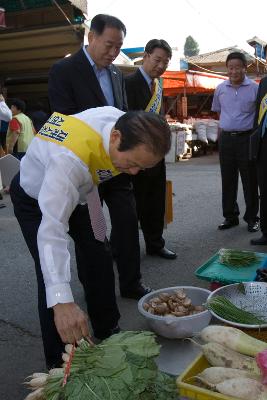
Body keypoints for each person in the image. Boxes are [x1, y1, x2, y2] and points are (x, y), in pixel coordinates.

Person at [9, 106, 171, 369]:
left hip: (85, 193)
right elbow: (52, 232)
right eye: (131, 163)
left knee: (99, 250)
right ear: (116, 137)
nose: (132, 173)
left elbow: (92, 180)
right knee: (50, 276)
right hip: (35, 198)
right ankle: (60, 363)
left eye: (141, 167)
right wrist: (63, 302)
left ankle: (108, 329)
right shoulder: (69, 161)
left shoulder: (119, 121)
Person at [49, 13, 150, 299]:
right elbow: (64, 119)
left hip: (117, 167)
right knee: (94, 232)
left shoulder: (117, 73)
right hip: (86, 169)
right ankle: (95, 288)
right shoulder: (64, 70)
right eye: (109, 45)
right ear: (91, 37)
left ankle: (132, 283)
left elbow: (124, 115)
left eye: (119, 46)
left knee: (128, 222)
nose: (114, 52)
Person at [125, 39, 177, 259]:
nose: (161, 66)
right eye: (157, 60)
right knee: (132, 204)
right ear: (145, 56)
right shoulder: (127, 82)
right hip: (136, 155)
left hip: (156, 155)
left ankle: (155, 244)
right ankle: (126, 249)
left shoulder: (159, 85)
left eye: (165, 62)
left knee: (156, 202)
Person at [211, 52, 259, 232]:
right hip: (226, 140)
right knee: (228, 180)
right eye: (230, 68)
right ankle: (230, 217)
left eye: (237, 67)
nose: (233, 71)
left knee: (250, 180)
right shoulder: (220, 89)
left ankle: (252, 218)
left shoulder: (255, 88)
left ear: (244, 68)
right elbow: (218, 112)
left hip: (247, 139)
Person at [250, 75, 267, 245]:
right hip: (264, 143)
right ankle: (266, 232)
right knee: (265, 190)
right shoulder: (264, 82)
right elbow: (258, 114)